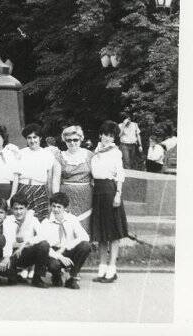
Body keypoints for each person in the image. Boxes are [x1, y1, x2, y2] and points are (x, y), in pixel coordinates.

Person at [90, 120, 129, 283]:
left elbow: (120, 173)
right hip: (97, 191)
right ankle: (102, 268)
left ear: (114, 138)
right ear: (101, 135)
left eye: (111, 136)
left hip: (109, 190)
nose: (107, 138)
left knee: (112, 232)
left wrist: (118, 194)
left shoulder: (115, 152)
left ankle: (112, 269)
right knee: (101, 233)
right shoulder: (97, 150)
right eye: (105, 134)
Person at [39, 192, 91, 290]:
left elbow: (85, 237)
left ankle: (71, 277)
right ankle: (57, 275)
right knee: (54, 265)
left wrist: (66, 247)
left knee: (86, 246)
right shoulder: (46, 222)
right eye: (53, 206)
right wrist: (59, 256)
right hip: (53, 252)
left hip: (67, 249)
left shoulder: (72, 219)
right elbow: (43, 244)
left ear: (65, 208)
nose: (55, 209)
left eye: (59, 207)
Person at [0, 193, 50, 288]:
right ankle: (14, 275)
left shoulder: (33, 220)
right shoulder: (8, 221)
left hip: (28, 254)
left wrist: (25, 244)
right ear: (11, 209)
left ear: (26, 208)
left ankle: (37, 278)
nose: (18, 212)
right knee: (2, 268)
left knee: (44, 245)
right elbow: (8, 241)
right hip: (13, 254)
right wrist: (6, 257)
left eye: (21, 208)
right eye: (16, 208)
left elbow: (43, 236)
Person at [52, 125, 93, 232]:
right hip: (67, 196)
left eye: (75, 140)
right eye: (68, 140)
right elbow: (56, 181)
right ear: (64, 141)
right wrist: (57, 200)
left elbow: (96, 178)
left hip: (86, 197)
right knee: (67, 226)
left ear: (81, 139)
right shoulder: (60, 157)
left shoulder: (89, 155)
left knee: (84, 227)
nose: (72, 143)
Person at [10, 123, 54, 222]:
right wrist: (12, 196)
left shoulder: (47, 154)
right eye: (29, 138)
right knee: (22, 219)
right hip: (23, 189)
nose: (32, 140)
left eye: (35, 137)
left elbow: (49, 178)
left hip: (40, 190)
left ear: (40, 138)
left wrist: (50, 198)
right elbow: (16, 177)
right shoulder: (21, 153)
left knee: (39, 220)